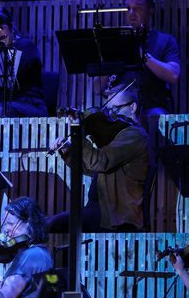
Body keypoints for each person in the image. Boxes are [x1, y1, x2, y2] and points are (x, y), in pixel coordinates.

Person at [47, 87, 150, 232]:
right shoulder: (118, 135)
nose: (110, 115)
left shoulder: (134, 135)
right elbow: (92, 169)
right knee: (47, 223)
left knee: (50, 224)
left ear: (132, 107)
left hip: (115, 213)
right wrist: (69, 152)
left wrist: (78, 133)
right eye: (108, 110)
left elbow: (100, 162)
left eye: (115, 109)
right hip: (100, 209)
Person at [99, 0, 180, 122]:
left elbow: (174, 75)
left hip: (153, 107)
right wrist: (109, 58)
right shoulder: (116, 42)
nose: (132, 13)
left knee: (153, 117)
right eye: (129, 8)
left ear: (150, 11)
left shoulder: (166, 40)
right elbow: (97, 88)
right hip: (119, 108)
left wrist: (142, 54)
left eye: (138, 9)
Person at [0, 7, 47, 119]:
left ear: (10, 27)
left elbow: (13, 78)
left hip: (26, 104)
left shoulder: (26, 47)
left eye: (0, 29)